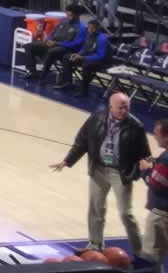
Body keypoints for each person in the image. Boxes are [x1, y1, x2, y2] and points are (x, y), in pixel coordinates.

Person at [52, 91, 148, 253]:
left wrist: (144, 168)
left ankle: (139, 251)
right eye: (120, 108)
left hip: (121, 173)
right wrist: (67, 161)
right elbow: (82, 141)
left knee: (126, 214)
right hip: (99, 169)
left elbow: (145, 153)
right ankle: (95, 246)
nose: (124, 111)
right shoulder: (96, 119)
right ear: (111, 107)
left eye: (127, 107)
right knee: (96, 209)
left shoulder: (135, 126)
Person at [140, 118, 168, 273]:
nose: (154, 136)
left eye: (157, 133)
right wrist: (156, 163)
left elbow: (156, 182)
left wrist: (145, 170)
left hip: (161, 215)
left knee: (151, 258)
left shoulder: (166, 159)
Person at [27, 4, 84, 80]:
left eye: (70, 15)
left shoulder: (82, 28)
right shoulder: (63, 23)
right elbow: (52, 33)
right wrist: (48, 40)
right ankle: (32, 72)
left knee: (52, 51)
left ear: (77, 15)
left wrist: (57, 43)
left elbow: (75, 44)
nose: (68, 17)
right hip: (53, 44)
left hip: (66, 49)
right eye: (67, 15)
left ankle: (43, 76)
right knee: (28, 46)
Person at [57, 18, 112, 95]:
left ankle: (84, 91)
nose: (90, 30)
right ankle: (68, 83)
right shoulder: (88, 35)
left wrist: (82, 58)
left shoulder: (102, 38)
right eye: (89, 28)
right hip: (89, 57)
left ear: (97, 29)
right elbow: (85, 48)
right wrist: (78, 54)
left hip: (103, 62)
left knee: (86, 65)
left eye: (92, 28)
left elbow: (101, 56)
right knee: (67, 57)